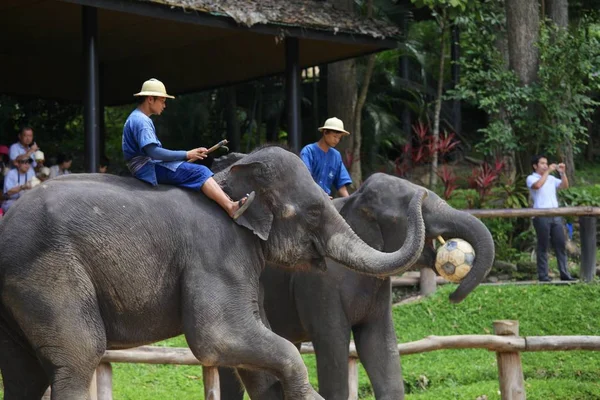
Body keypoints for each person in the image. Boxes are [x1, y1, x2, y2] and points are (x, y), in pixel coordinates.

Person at [122, 78, 254, 219]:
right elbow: (154, 152)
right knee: (200, 171)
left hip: (144, 165)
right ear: (150, 99)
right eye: (162, 100)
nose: (164, 105)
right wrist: (187, 154)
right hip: (147, 167)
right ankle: (231, 207)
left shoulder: (136, 117)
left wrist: (186, 156)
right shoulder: (141, 121)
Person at [526, 155, 576, 282]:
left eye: (546, 163)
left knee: (560, 244)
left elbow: (564, 186)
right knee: (543, 246)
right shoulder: (531, 178)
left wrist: (562, 173)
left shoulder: (552, 178)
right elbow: (537, 186)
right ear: (535, 166)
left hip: (556, 215)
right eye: (542, 163)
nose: (545, 165)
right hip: (541, 216)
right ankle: (543, 276)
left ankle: (565, 274)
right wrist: (547, 171)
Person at [300, 117, 352, 198]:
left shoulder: (336, 156)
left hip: (327, 200)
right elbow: (305, 179)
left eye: (339, 138)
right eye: (335, 136)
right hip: (307, 197)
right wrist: (321, 196)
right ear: (325, 132)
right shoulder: (308, 151)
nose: (337, 140)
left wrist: (349, 201)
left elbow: (341, 184)